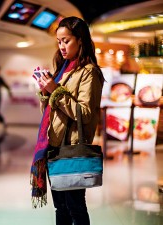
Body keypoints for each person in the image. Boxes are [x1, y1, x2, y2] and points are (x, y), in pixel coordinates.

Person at [30, 16, 105, 225]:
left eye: (67, 40)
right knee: (60, 208)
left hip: (71, 147)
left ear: (80, 40)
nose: (62, 46)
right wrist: (46, 93)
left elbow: (85, 113)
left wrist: (55, 91)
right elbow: (53, 111)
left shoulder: (89, 72)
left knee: (75, 208)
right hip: (54, 146)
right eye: (59, 41)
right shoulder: (64, 68)